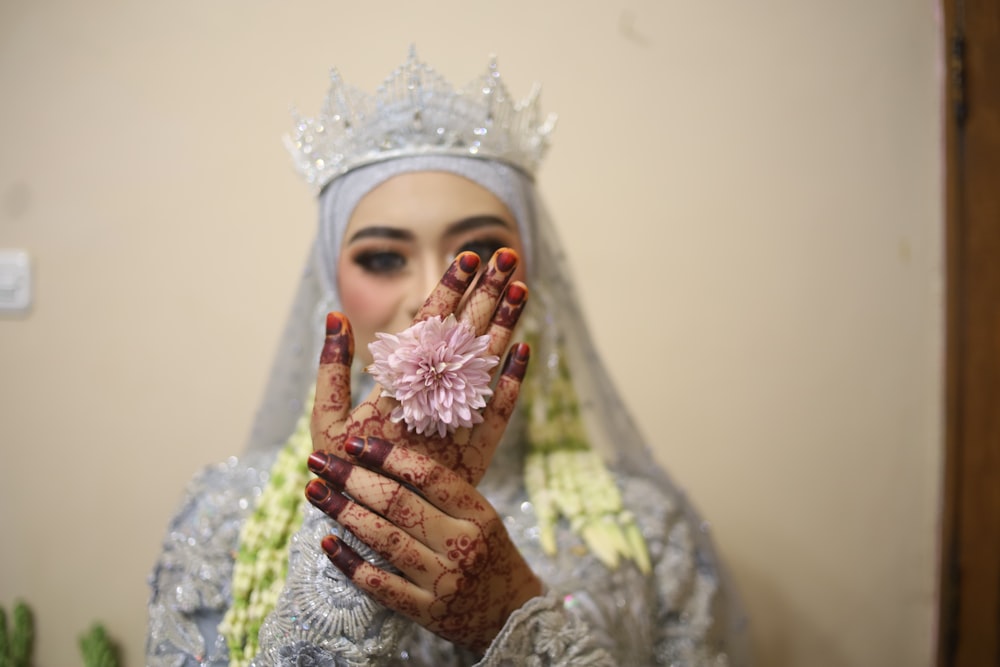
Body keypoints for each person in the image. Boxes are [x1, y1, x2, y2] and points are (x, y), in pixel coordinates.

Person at [146, 50, 751, 666]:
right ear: (332, 290)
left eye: (483, 252)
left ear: (533, 284)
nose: (434, 304)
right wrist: (357, 541)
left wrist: (513, 618)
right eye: (383, 257)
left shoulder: (642, 529)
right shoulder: (226, 517)